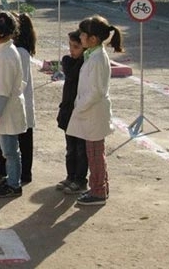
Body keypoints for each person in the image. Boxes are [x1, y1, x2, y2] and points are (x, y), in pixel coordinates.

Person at [66, 15, 124, 206]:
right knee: (95, 153)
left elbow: (96, 91)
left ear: (93, 39)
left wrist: (80, 108)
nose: (80, 37)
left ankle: (98, 192)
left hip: (92, 112)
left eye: (83, 34)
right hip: (90, 112)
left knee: (94, 154)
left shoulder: (98, 58)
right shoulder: (93, 54)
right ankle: (100, 187)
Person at [0, 12, 36, 185]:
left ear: (0, 32)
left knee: (11, 152)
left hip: (7, 110)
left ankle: (13, 183)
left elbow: (4, 89)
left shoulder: (7, 55)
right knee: (9, 151)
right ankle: (12, 179)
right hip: (7, 109)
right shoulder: (5, 51)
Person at [56, 30, 88, 194]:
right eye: (70, 46)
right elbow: (72, 74)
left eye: (76, 47)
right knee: (70, 149)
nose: (71, 50)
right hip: (69, 112)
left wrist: (84, 56)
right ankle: (70, 176)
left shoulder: (87, 63)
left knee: (81, 150)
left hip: (81, 112)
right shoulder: (68, 61)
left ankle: (80, 180)